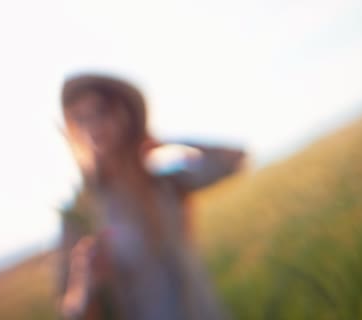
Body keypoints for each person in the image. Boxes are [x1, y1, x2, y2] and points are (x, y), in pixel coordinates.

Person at [56, 73, 245, 320]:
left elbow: (235, 158)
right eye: (80, 119)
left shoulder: (164, 183)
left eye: (101, 111)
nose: (93, 126)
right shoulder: (82, 215)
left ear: (123, 113)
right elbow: (71, 311)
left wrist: (166, 142)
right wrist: (85, 287)